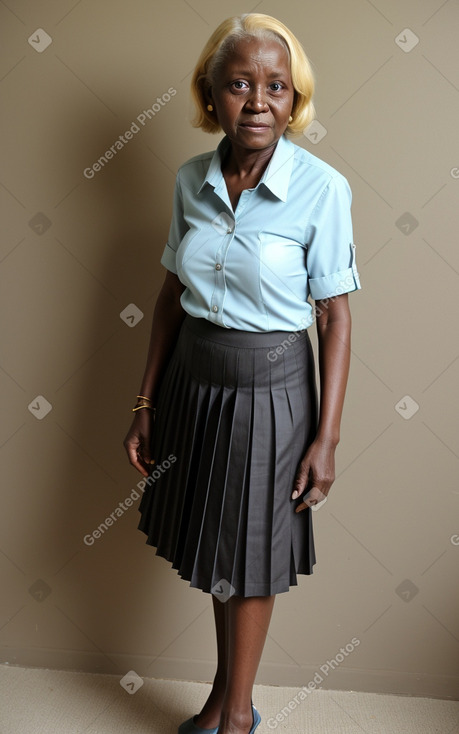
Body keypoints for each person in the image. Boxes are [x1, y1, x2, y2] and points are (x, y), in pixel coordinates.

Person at [123, 12, 361, 734]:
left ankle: (234, 721)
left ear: (294, 101)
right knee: (216, 544)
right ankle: (228, 698)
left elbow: (335, 318)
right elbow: (169, 298)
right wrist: (145, 400)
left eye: (276, 86)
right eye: (239, 84)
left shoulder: (322, 189)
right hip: (195, 380)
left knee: (250, 554)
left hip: (273, 389)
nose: (258, 101)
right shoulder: (190, 180)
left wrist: (327, 439)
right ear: (210, 96)